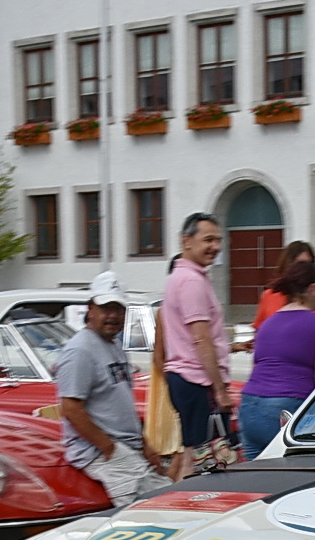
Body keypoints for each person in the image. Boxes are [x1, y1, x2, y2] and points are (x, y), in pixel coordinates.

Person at [57, 282, 174, 505]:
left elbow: (121, 404)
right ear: (90, 309)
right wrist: (110, 449)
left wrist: (144, 445)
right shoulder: (79, 350)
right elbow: (71, 408)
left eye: (118, 310)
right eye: (106, 309)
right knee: (156, 510)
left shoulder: (113, 345)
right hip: (103, 454)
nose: (113, 316)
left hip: (128, 449)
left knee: (169, 501)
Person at [156, 212, 232, 479]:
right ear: (186, 241)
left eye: (219, 240)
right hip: (197, 381)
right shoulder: (190, 281)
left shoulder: (183, 277)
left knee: (193, 454)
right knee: (208, 462)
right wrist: (220, 390)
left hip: (187, 379)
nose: (215, 246)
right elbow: (201, 339)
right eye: (208, 239)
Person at [238, 261, 315, 459]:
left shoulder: (267, 324)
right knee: (298, 474)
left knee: (256, 479)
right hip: (286, 409)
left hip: (249, 407)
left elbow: (258, 367)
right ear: (313, 288)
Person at [255, 241, 315, 329]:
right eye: (297, 264)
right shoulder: (269, 296)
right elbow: (260, 332)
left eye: (307, 264)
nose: (302, 269)